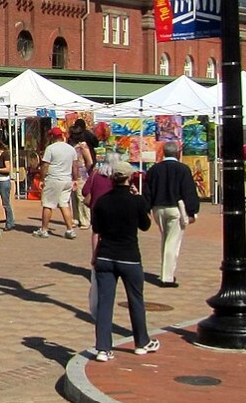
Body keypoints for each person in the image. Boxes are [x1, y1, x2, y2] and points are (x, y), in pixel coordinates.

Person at [90, 161, 159, 362]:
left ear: (112, 178)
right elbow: (145, 225)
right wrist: (138, 198)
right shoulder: (135, 201)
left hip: (105, 255)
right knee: (135, 300)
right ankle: (141, 341)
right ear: (129, 178)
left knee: (105, 303)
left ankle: (103, 348)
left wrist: (94, 256)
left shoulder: (102, 201)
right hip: (129, 257)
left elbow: (97, 230)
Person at [143, 142, 199, 288]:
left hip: (158, 208)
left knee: (166, 239)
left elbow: (147, 191)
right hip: (175, 208)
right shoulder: (183, 169)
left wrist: (146, 209)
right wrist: (192, 211)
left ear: (163, 152)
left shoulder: (154, 169)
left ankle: (166, 272)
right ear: (177, 153)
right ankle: (167, 277)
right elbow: (188, 191)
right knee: (172, 242)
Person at [35, 127, 78, 239]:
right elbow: (75, 165)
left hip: (54, 179)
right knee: (64, 204)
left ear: (52, 136)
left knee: (48, 204)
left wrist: (42, 179)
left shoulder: (50, 148)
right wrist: (75, 179)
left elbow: (45, 165)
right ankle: (70, 229)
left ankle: (44, 230)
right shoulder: (71, 149)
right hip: (67, 179)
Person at [70, 136, 95, 229]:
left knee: (81, 197)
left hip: (81, 175)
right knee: (73, 198)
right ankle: (76, 219)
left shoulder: (83, 146)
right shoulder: (72, 147)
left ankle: (85, 220)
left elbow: (90, 162)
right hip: (73, 175)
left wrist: (84, 170)